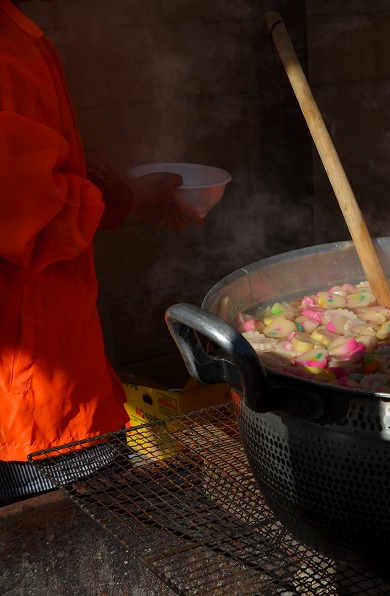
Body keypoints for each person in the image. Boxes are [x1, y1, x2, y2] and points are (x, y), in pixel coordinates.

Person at [0, 0, 203, 503]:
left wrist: (91, 177)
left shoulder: (14, 31)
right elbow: (33, 213)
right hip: (34, 413)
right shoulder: (5, 51)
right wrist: (127, 199)